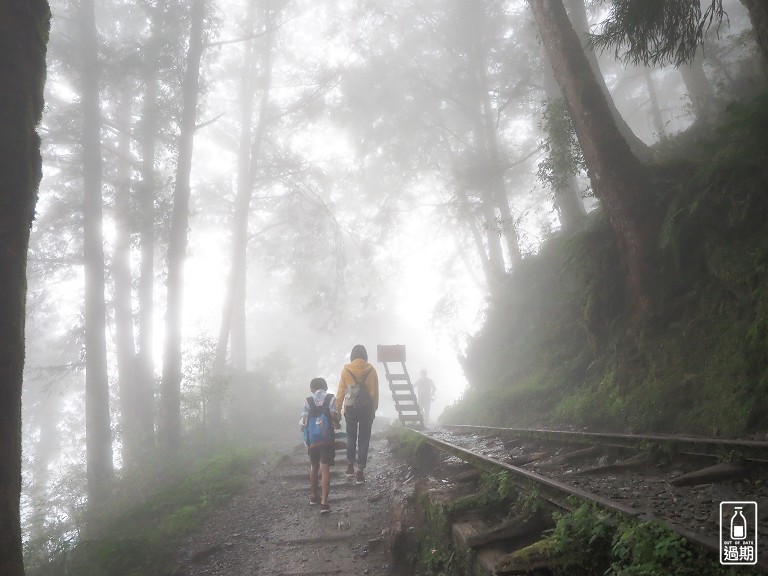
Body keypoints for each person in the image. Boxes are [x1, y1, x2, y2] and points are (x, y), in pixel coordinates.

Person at [336, 344, 379, 485]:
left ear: (352, 355)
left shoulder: (346, 369)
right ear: (365, 355)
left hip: (351, 408)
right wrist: (374, 409)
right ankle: (360, 471)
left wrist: (337, 411)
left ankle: (349, 467)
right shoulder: (371, 370)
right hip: (367, 409)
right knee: (364, 439)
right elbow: (374, 392)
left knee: (351, 437)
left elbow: (341, 392)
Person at [301, 377, 340, 514]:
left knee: (314, 466)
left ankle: (313, 496)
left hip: (313, 439)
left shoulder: (308, 400)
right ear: (326, 387)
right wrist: (336, 421)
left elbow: (304, 421)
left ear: (312, 388)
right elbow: (334, 415)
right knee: (324, 467)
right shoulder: (330, 398)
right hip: (326, 438)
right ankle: (324, 502)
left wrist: (306, 440)